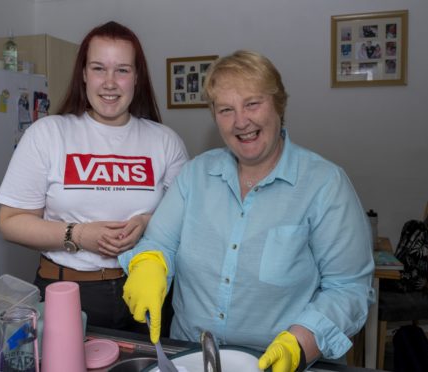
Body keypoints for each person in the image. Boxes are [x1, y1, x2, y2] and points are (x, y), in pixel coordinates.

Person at [119, 50, 374, 371]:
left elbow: (349, 289)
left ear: (278, 104)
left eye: (253, 104)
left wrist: (300, 342)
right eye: (226, 109)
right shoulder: (194, 176)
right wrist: (149, 263)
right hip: (190, 357)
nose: (241, 121)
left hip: (277, 361)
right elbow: (160, 242)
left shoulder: (324, 184)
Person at [0, 21, 188, 331]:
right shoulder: (48, 133)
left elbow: (186, 220)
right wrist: (79, 235)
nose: (110, 83)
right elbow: (11, 222)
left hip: (146, 290)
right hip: (66, 291)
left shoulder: (165, 141)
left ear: (136, 77)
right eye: (99, 68)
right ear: (84, 74)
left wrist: (147, 225)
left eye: (122, 70)